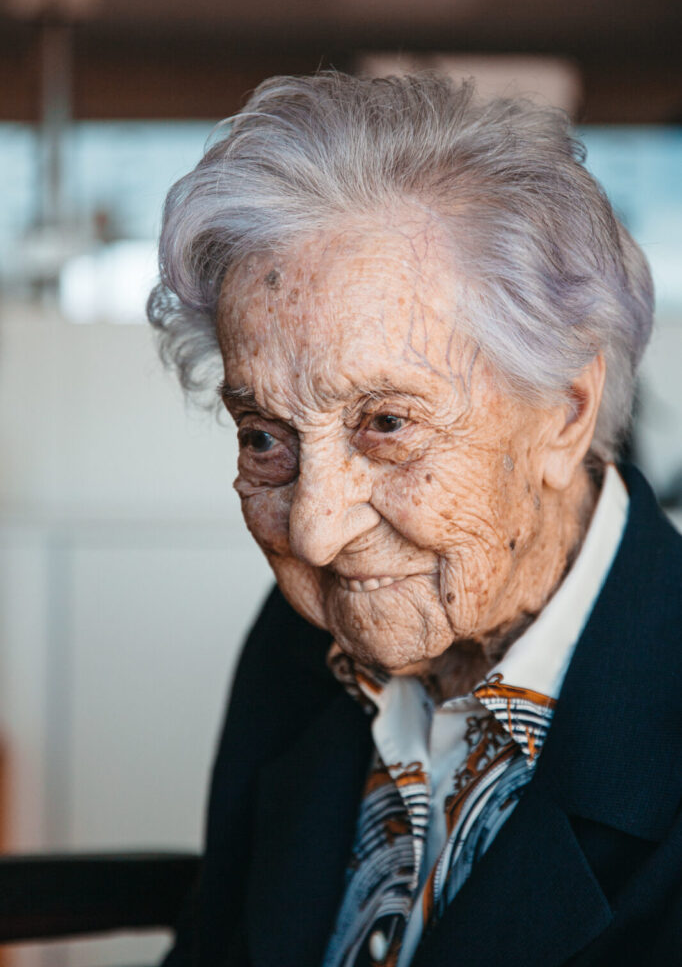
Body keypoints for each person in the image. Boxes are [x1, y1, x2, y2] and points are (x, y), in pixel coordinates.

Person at [147, 73, 682, 967]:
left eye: (386, 424)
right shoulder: (298, 644)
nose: (316, 533)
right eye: (264, 437)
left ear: (565, 409)